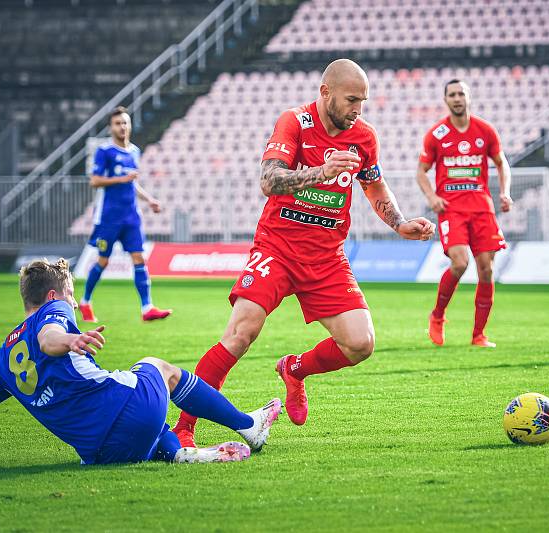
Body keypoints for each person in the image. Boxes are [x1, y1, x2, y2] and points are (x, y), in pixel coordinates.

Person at [172, 59, 435, 446]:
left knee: (361, 343)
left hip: (327, 257)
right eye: (351, 100)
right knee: (241, 333)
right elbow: (269, 180)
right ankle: (184, 428)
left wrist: (399, 224)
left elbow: (374, 185)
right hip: (277, 248)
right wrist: (321, 172)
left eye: (363, 101)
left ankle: (294, 369)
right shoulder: (294, 122)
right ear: (325, 92)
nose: (357, 109)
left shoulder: (363, 136)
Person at [0, 258, 281, 464]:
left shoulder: (1, 360)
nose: (74, 302)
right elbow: (48, 340)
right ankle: (248, 425)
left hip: (103, 453)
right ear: (52, 296)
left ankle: (179, 454)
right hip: (126, 414)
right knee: (157, 367)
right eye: (70, 294)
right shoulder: (53, 312)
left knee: (149, 418)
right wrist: (70, 340)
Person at [416, 79, 513, 348]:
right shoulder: (436, 134)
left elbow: (501, 163)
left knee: (487, 269)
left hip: (482, 208)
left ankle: (478, 335)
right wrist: (432, 196)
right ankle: (437, 316)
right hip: (452, 209)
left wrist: (504, 192)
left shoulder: (485, 130)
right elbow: (421, 172)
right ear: (446, 100)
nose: (457, 98)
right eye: (452, 95)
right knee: (460, 263)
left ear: (468, 97)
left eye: (461, 94)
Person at [79, 106, 172, 323]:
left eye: (125, 122)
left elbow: (133, 183)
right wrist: (120, 180)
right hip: (109, 217)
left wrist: (149, 200)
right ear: (111, 127)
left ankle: (147, 307)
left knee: (139, 258)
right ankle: (85, 301)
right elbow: (94, 181)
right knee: (103, 260)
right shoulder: (105, 152)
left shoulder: (134, 151)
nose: (122, 127)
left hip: (131, 216)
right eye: (117, 123)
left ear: (129, 125)